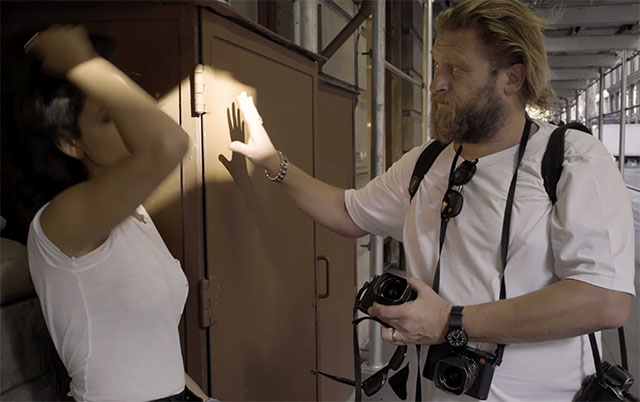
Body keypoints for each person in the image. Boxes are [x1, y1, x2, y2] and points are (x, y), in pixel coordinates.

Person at [231, 0, 635, 400]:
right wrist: (272, 160)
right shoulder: (427, 163)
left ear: (512, 78)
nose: (436, 83)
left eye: (455, 69)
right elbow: (347, 212)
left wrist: (450, 321)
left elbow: (604, 299)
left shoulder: (571, 160)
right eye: (436, 65)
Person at [10, 25, 211, 401]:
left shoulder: (135, 216)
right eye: (108, 118)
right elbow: (169, 143)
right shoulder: (61, 220)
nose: (130, 127)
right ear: (69, 142)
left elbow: (155, 352)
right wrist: (79, 59)